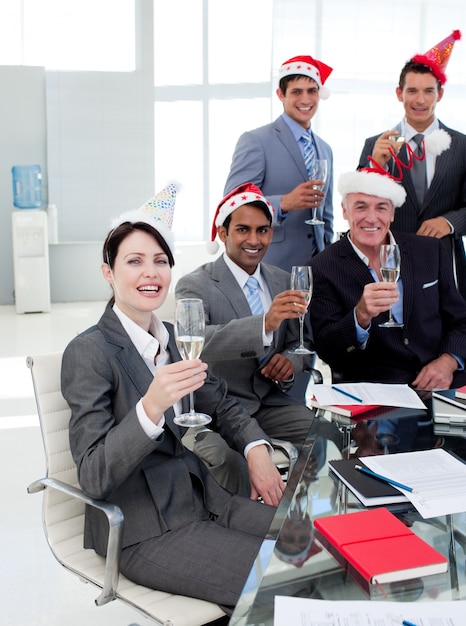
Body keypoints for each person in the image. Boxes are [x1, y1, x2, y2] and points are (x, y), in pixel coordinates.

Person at [61, 184, 285, 613]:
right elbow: (93, 475)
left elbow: (221, 404)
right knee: (283, 579)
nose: (151, 273)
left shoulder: (174, 341)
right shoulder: (89, 352)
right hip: (147, 528)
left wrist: (257, 448)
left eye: (160, 261)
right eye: (134, 261)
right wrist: (150, 406)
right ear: (108, 272)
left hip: (208, 501)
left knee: (317, 539)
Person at [176, 183, 340, 492]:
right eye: (243, 229)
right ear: (223, 234)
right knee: (231, 464)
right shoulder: (196, 285)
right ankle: (247, 527)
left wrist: (290, 361)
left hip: (269, 403)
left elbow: (301, 343)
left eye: (263, 230)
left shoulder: (280, 279)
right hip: (218, 410)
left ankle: (304, 517)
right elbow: (199, 343)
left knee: (328, 437)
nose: (254, 240)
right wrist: (264, 324)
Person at [309, 168, 466, 391]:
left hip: (442, 384)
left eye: (381, 207)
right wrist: (360, 315)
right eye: (361, 207)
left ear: (392, 213)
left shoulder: (430, 250)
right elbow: (327, 348)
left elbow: (461, 321)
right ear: (345, 211)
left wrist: (448, 362)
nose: (371, 218)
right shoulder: (323, 265)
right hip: (375, 391)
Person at [357, 30, 466, 297]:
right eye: (412, 91)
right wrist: (377, 165)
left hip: (446, 264)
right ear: (399, 93)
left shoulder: (463, 145)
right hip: (390, 262)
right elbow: (358, 207)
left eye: (428, 91)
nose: (420, 100)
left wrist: (449, 222)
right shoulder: (376, 144)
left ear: (439, 94)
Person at [224, 55, 334, 272]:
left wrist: (329, 256)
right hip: (272, 263)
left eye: (312, 91)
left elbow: (326, 213)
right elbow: (233, 202)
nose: (306, 99)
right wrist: (284, 203)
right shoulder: (256, 141)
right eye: (296, 92)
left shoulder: (325, 148)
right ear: (281, 95)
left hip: (318, 267)